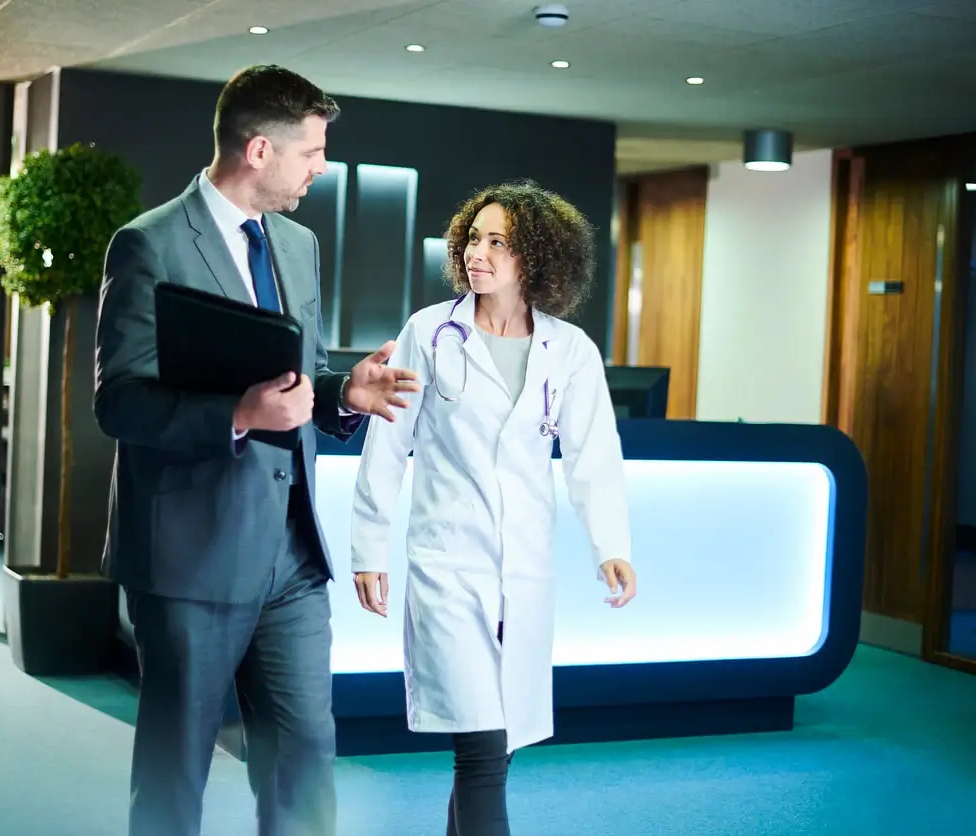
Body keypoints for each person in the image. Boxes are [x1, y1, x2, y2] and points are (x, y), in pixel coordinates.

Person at [94, 64, 420, 836]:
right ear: (259, 149)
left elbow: (291, 372)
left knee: (306, 762)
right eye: (311, 151)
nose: (323, 166)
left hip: (292, 559)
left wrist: (344, 394)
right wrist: (235, 414)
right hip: (189, 560)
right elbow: (119, 401)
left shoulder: (299, 245)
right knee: (176, 774)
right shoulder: (148, 245)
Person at [349, 181, 638, 835]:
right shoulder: (429, 332)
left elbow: (593, 457)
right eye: (474, 237)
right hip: (448, 566)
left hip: (525, 573)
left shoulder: (569, 351)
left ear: (535, 257)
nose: (478, 252)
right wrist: (370, 546)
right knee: (480, 747)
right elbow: (387, 448)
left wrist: (611, 545)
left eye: (498, 242)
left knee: (494, 754)